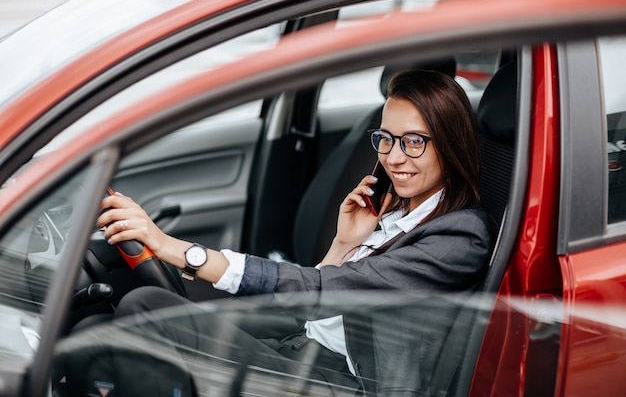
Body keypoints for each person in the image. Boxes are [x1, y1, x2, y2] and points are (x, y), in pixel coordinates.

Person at [96, 69, 492, 394]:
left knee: (145, 312)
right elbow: (322, 296)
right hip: (302, 341)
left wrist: (173, 248)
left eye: (414, 142)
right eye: (385, 139)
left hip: (345, 382)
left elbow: (326, 292)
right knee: (106, 325)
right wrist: (345, 243)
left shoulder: (459, 237)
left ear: (450, 144)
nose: (392, 157)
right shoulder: (398, 209)